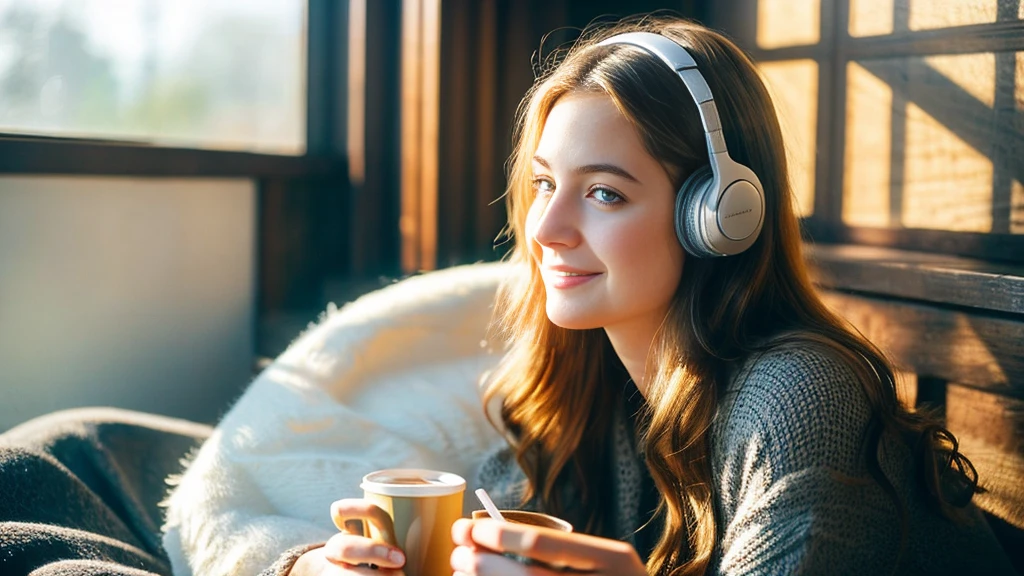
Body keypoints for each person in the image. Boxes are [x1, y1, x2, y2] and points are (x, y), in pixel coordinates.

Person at [290, 15, 1015, 576]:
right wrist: (317, 565)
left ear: (719, 217)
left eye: (604, 192)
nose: (545, 227)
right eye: (545, 183)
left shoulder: (800, 398)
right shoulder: (583, 384)